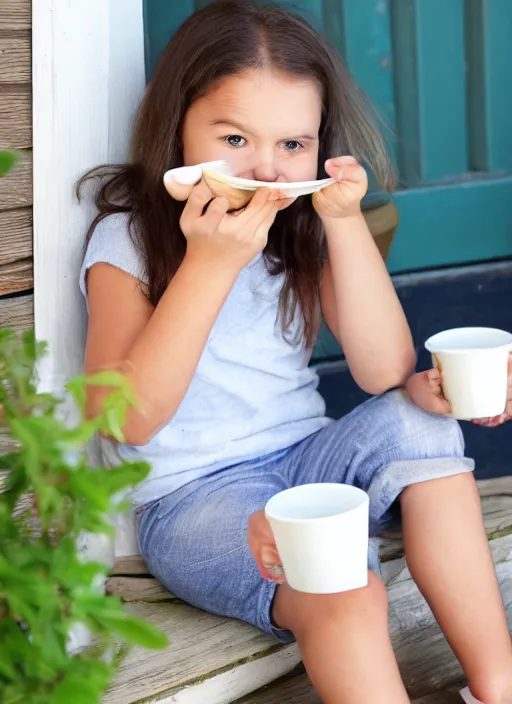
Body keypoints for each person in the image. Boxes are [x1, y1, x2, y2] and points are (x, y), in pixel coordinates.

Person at [78, 2, 512, 702]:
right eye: (234, 138)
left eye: (292, 145)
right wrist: (210, 265)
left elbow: (381, 370)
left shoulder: (299, 225)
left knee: (422, 417)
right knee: (345, 589)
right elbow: (122, 417)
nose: (266, 168)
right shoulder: (129, 237)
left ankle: (499, 686)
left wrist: (342, 223)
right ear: (178, 123)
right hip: (194, 503)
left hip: (308, 467)